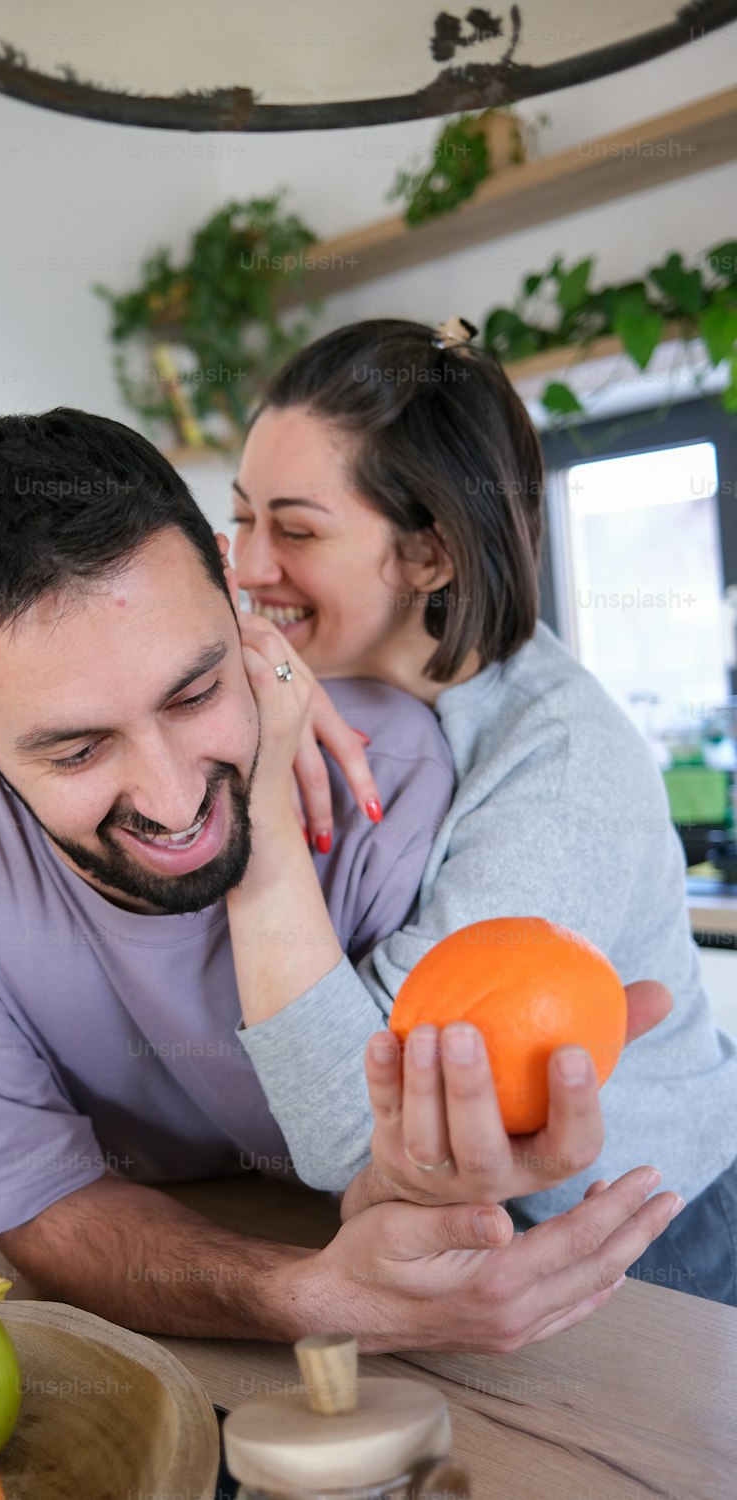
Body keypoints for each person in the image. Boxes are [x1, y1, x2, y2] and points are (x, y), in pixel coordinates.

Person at [0, 407, 679, 1353]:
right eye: (77, 749)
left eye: (194, 694)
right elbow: (29, 1195)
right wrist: (303, 1300)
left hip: (625, 1265)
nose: (174, 800)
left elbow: (367, 1151)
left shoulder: (401, 769)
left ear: (234, 601)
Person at [224, 317, 737, 1305]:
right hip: (500, 1235)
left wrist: (264, 828)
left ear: (427, 557)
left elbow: (353, 1128)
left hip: (657, 1234)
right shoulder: (347, 683)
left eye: (294, 530)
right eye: (240, 516)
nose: (246, 567)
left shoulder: (560, 762)